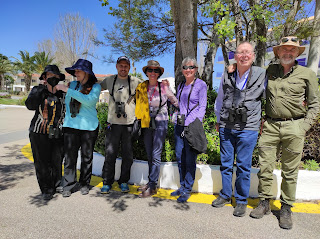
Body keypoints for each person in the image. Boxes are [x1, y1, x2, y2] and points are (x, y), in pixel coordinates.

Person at [249, 36, 320, 229]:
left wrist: (302, 128)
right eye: (284, 50)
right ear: (278, 52)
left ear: (297, 53)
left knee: (290, 171)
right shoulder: (270, 71)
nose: (288, 53)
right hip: (271, 126)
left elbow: (315, 104)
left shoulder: (307, 74)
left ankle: (286, 208)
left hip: (294, 127)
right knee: (265, 166)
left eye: (292, 50)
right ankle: (264, 203)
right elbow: (253, 83)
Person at [212, 42, 266, 217]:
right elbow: (220, 98)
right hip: (227, 126)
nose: (244, 55)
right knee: (226, 164)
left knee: (243, 165)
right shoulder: (227, 74)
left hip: (248, 128)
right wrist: (218, 120)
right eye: (240, 52)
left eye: (247, 52)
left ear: (253, 55)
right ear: (235, 56)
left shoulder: (261, 74)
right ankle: (226, 195)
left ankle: (241, 200)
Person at [55, 59, 101, 197]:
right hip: (71, 126)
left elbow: (88, 101)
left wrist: (67, 90)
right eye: (75, 71)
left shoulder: (95, 87)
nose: (76, 73)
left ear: (87, 73)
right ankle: (68, 184)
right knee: (70, 157)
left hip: (89, 127)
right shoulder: (73, 84)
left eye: (78, 70)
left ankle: (84, 183)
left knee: (87, 157)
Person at [135, 60, 179, 197]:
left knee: (155, 154)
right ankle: (150, 182)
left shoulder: (164, 87)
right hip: (147, 122)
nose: (153, 73)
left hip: (160, 122)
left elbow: (175, 102)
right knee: (149, 153)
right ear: (146, 72)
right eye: (150, 70)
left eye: (156, 71)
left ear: (159, 73)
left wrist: (182, 113)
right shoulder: (142, 87)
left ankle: (153, 185)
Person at [100, 56, 142, 193]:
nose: (123, 68)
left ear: (129, 67)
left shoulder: (135, 81)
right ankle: (107, 182)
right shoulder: (109, 80)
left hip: (129, 124)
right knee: (110, 154)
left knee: (127, 156)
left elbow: (149, 88)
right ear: (116, 66)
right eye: (121, 65)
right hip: (113, 124)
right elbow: (94, 88)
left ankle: (124, 181)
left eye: (126, 66)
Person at [25, 65, 66, 200]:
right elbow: (30, 105)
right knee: (42, 161)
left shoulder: (62, 93)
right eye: (50, 76)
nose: (53, 78)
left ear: (59, 78)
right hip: (39, 132)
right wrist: (41, 88)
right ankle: (47, 188)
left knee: (56, 159)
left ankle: (57, 184)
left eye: (55, 76)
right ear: (44, 77)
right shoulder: (38, 90)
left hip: (57, 133)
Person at [170, 57, 207, 203]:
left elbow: (202, 106)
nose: (188, 70)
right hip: (179, 125)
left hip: (191, 127)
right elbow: (180, 105)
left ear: (196, 69)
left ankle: (187, 189)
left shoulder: (201, 85)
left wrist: (193, 123)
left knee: (189, 159)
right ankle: (182, 185)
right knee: (180, 157)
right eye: (185, 67)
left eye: (191, 67)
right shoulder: (180, 86)